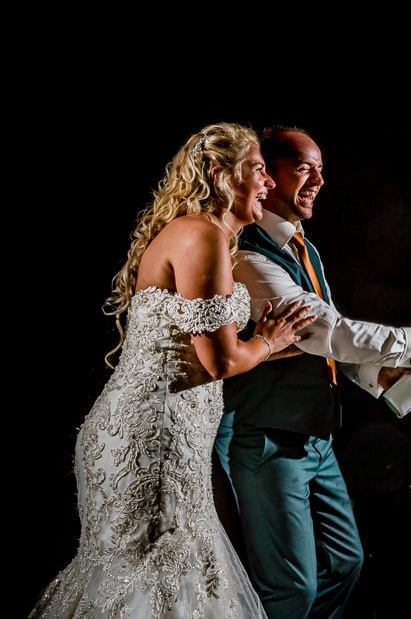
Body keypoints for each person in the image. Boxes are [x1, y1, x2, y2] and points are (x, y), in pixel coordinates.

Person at [30, 122, 318, 618]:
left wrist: (271, 345)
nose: (269, 183)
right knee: (157, 578)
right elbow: (221, 361)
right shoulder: (203, 235)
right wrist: (269, 341)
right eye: (257, 171)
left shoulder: (211, 238)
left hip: (164, 436)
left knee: (166, 580)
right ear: (218, 173)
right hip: (151, 441)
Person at [215, 125, 411, 619]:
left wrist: (386, 382)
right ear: (266, 175)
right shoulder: (248, 254)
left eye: (321, 171)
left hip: (318, 439)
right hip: (271, 440)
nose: (317, 181)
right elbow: (331, 333)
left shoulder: (305, 250)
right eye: (304, 168)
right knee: (292, 591)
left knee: (346, 563)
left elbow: (330, 352)